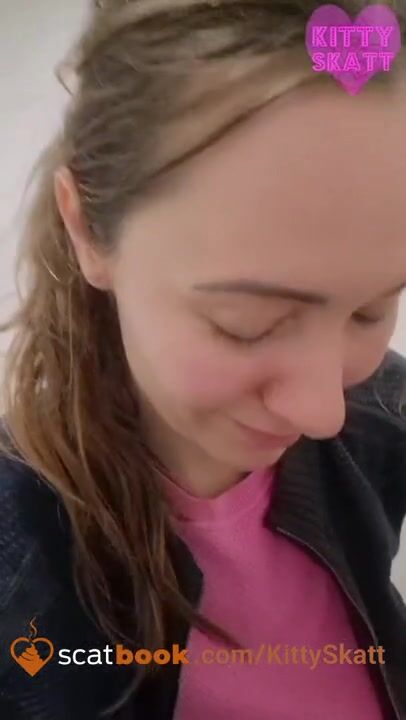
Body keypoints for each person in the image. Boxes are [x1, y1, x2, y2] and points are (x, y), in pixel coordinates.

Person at [0, 0, 406, 718]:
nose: (324, 412)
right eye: (246, 326)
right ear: (87, 228)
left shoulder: (381, 410)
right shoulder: (20, 570)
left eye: (371, 310)